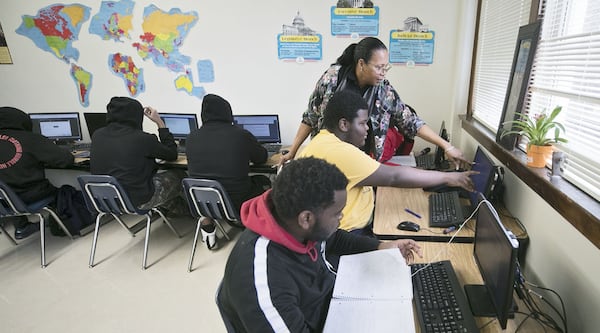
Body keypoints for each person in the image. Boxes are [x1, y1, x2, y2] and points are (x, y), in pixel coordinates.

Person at [218, 157, 422, 332]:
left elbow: (335, 238)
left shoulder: (295, 220)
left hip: (336, 301)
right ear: (306, 219)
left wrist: (381, 246)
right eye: (337, 213)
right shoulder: (264, 281)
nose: (341, 218)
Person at [297, 90, 476, 234]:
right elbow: (394, 177)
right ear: (344, 124)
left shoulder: (324, 141)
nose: (367, 129)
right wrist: (451, 178)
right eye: (363, 123)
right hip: (346, 234)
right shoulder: (339, 151)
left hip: (346, 229)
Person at [281, 36, 470, 168]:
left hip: (363, 161)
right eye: (378, 67)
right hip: (328, 159)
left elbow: (411, 122)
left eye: (385, 67)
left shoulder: (384, 91)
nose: (383, 72)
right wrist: (292, 151)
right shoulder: (332, 80)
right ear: (361, 64)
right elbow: (311, 116)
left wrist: (447, 146)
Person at [186, 94, 270, 248]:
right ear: (227, 113)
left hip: (203, 204)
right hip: (237, 202)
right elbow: (261, 158)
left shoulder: (191, 137)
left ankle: (207, 227)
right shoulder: (240, 135)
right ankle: (260, 230)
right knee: (264, 181)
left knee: (205, 185)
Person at [90, 97, 187, 216]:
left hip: (106, 200)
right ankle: (191, 214)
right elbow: (172, 154)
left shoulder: (97, 135)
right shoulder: (143, 139)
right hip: (137, 200)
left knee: (156, 179)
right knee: (179, 175)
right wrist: (160, 122)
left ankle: (175, 210)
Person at [0, 107, 74, 239]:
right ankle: (61, 223)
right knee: (64, 191)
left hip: (3, 203)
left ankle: (21, 227)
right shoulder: (30, 139)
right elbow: (65, 160)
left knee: (9, 189)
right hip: (30, 195)